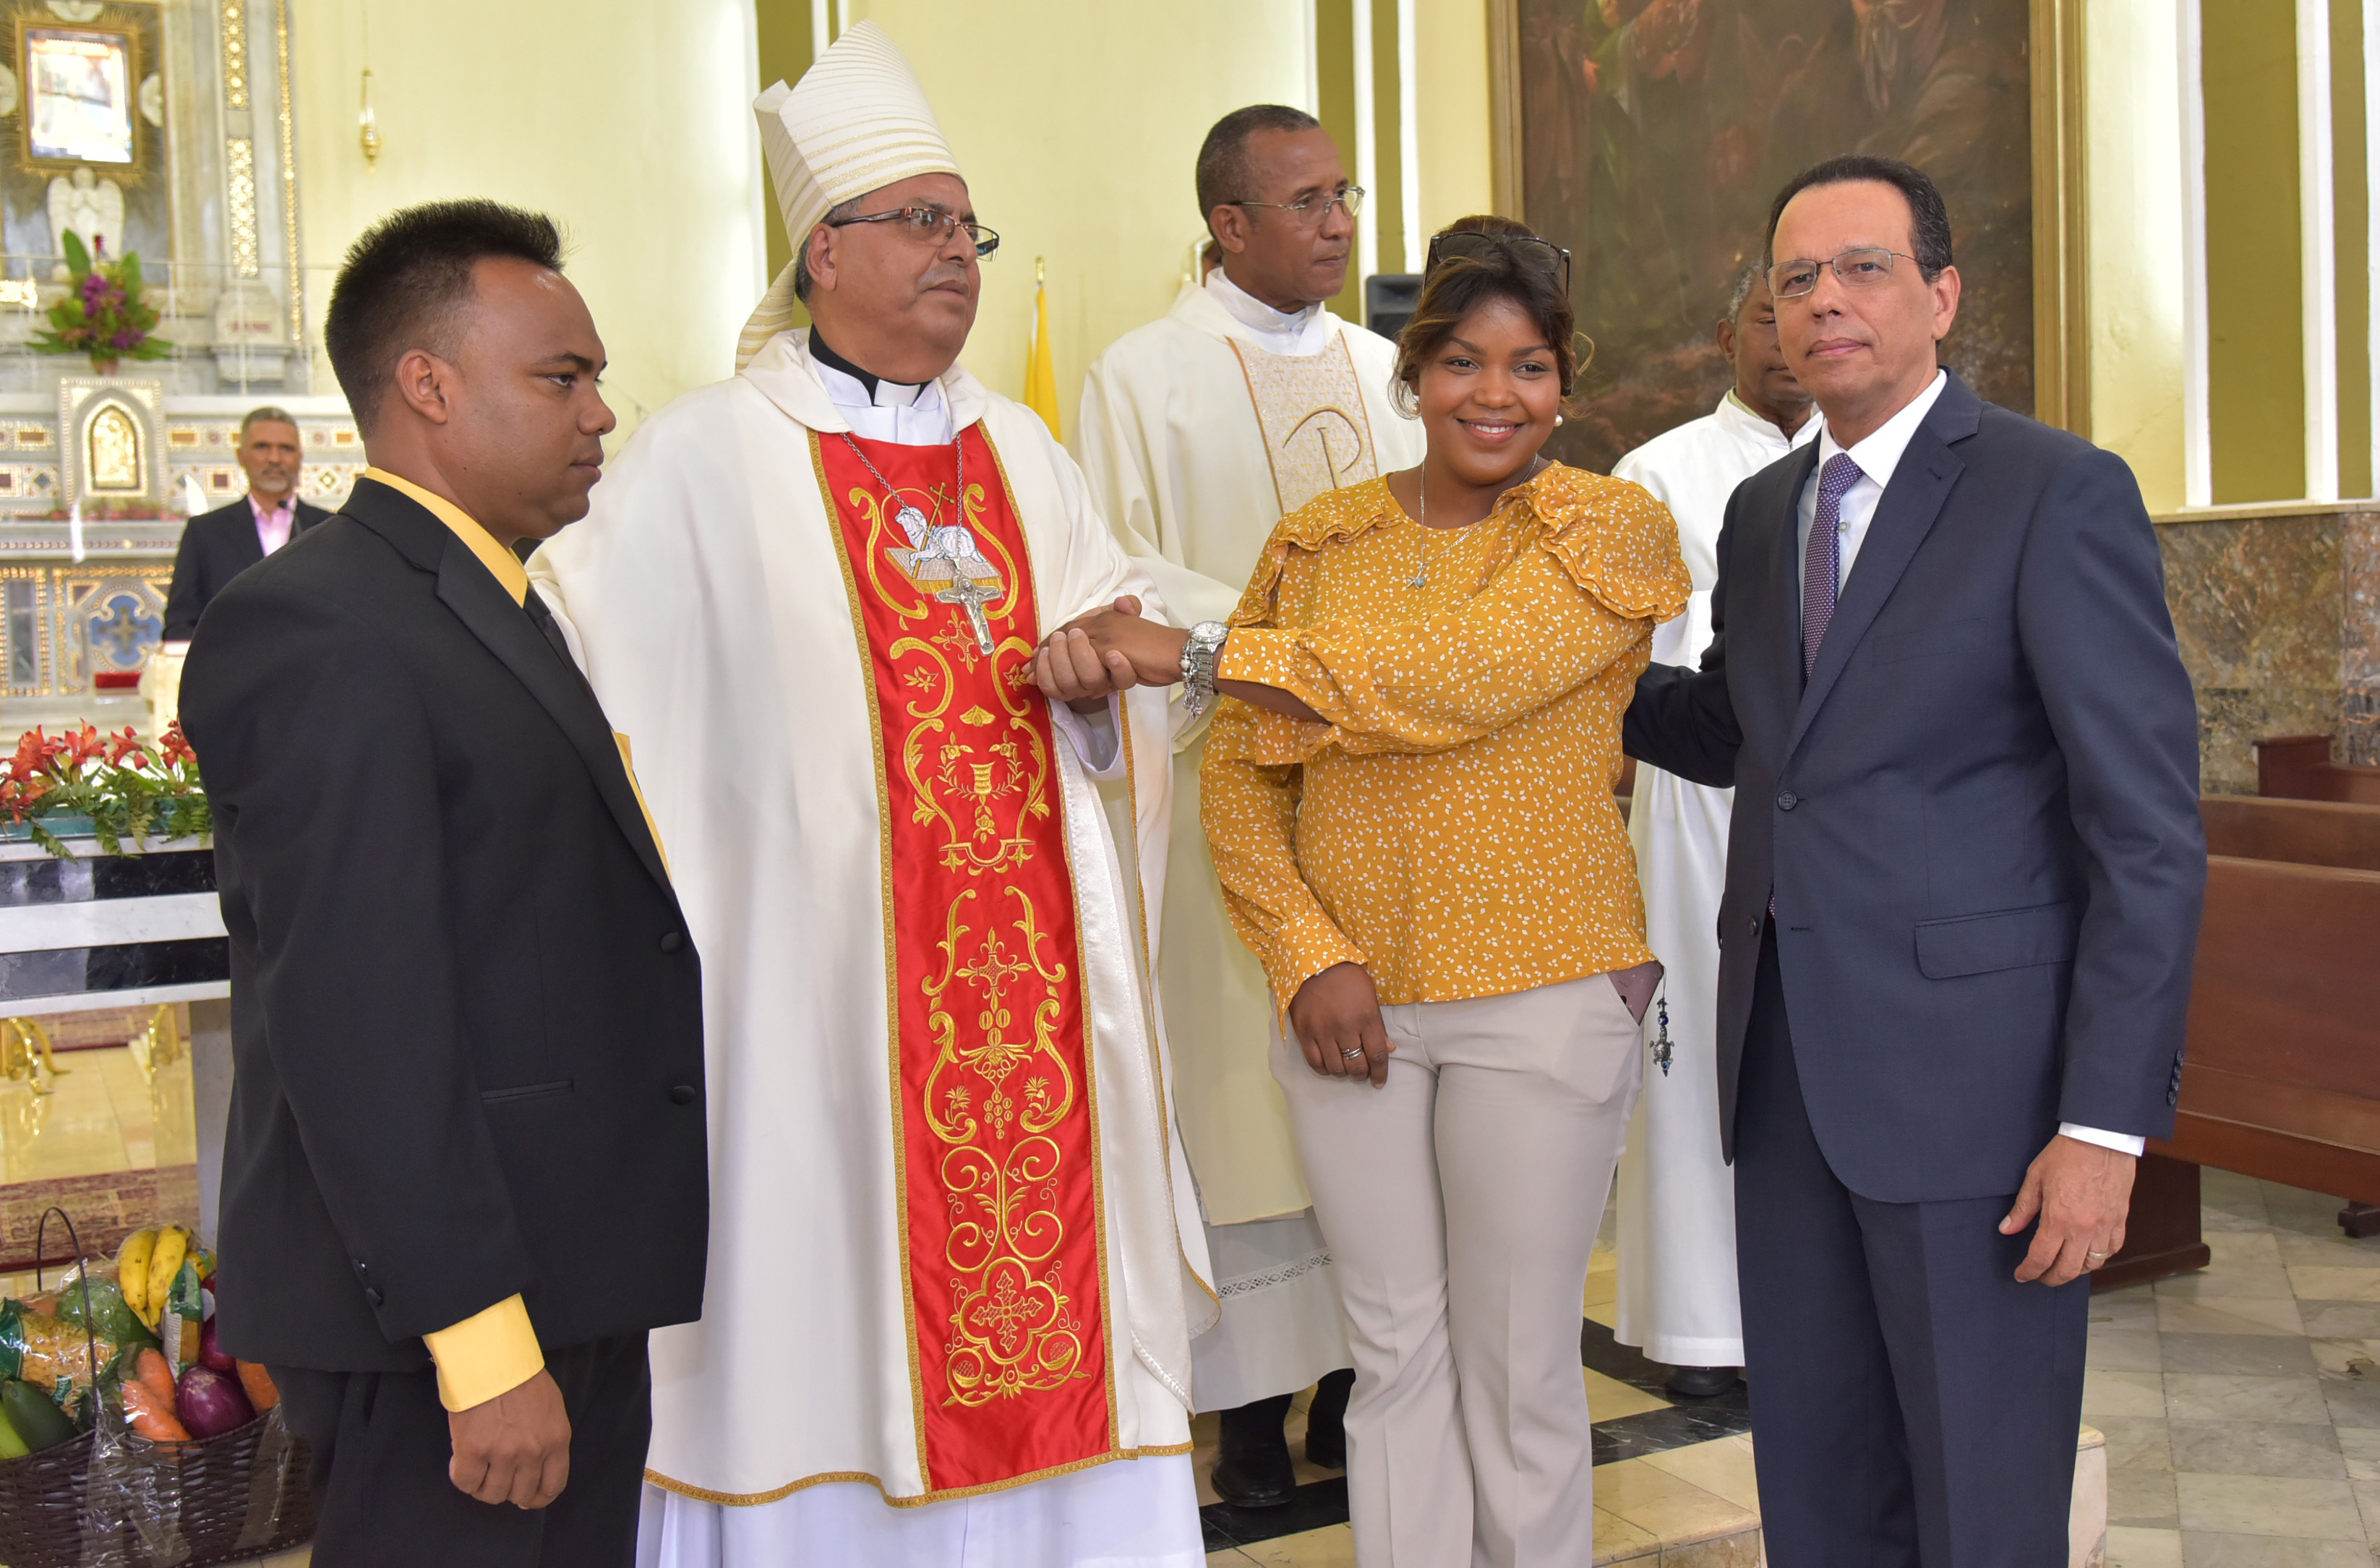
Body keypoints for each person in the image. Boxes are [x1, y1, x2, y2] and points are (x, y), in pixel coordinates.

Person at [526, 24, 1212, 1567]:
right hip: (813, 1029)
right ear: (819, 251)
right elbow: (574, 682)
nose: (955, 256)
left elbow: (1113, 654)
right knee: (817, 1310)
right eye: (917, 223)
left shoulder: (1026, 454)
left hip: (1029, 1023)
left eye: (965, 226)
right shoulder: (702, 461)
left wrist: (1105, 700)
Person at [1039, 217, 1690, 1568]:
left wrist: (1203, 652)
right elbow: (1245, 787)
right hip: (1348, 1009)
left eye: (1526, 366)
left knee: (1515, 1359)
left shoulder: (1603, 529)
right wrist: (1301, 953)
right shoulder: (1318, 541)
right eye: (1460, 361)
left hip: (1545, 985)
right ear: (1411, 375)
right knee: (1391, 1351)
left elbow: (1447, 683)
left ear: (1566, 382)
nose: (1493, 395)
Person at [1622, 155, 2205, 1565]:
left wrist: (2102, 1128)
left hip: (1977, 1105)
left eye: (1862, 268)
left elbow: (2142, 833)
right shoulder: (1764, 512)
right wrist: (1526, 658)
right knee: (1819, 1497)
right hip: (1784, 1083)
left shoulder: (2047, 492)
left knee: (1979, 1501)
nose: (1824, 301)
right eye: (1796, 278)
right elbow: (1745, 728)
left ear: (1940, 294)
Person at [179, 201, 708, 1564]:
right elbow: (359, 1016)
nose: (601, 413)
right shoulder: (322, 621)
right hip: (452, 1318)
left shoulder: (485, 600)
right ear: (427, 384)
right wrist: (479, 1344)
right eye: (561, 376)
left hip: (556, 1273)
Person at [1076, 102, 1423, 1504]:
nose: (1340, 220)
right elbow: (1118, 563)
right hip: (1230, 772)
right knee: (1238, 1098)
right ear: (1229, 223)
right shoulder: (1138, 375)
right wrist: (1285, 659)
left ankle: (1353, 1390)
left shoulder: (1391, 368)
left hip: (1385, 790)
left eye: (1345, 193)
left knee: (1376, 1093)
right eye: (1308, 199)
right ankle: (1241, 1419)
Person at [1607, 265, 1813, 1400]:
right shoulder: (1660, 471)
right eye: (1765, 319)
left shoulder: (1857, 456)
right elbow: (1634, 651)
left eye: (1806, 315)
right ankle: (1698, 1323)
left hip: (1825, 800)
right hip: (1700, 796)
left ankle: (1803, 1310)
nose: (1789, 340)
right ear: (1724, 332)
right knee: (1699, 1062)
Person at [163, 406, 329, 639]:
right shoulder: (205, 533)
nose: (274, 459)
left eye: (286, 449)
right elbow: (180, 624)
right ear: (241, 456)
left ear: (300, 458)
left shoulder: (330, 529)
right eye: (262, 447)